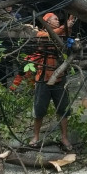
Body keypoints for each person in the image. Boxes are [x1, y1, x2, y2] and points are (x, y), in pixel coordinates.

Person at [29, 12, 74, 151]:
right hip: (43, 79)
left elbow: (64, 33)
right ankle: (36, 136)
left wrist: (69, 23)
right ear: (47, 22)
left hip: (59, 78)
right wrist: (65, 26)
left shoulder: (61, 33)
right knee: (39, 110)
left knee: (63, 109)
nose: (57, 20)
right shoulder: (41, 34)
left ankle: (64, 137)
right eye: (55, 19)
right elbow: (51, 36)